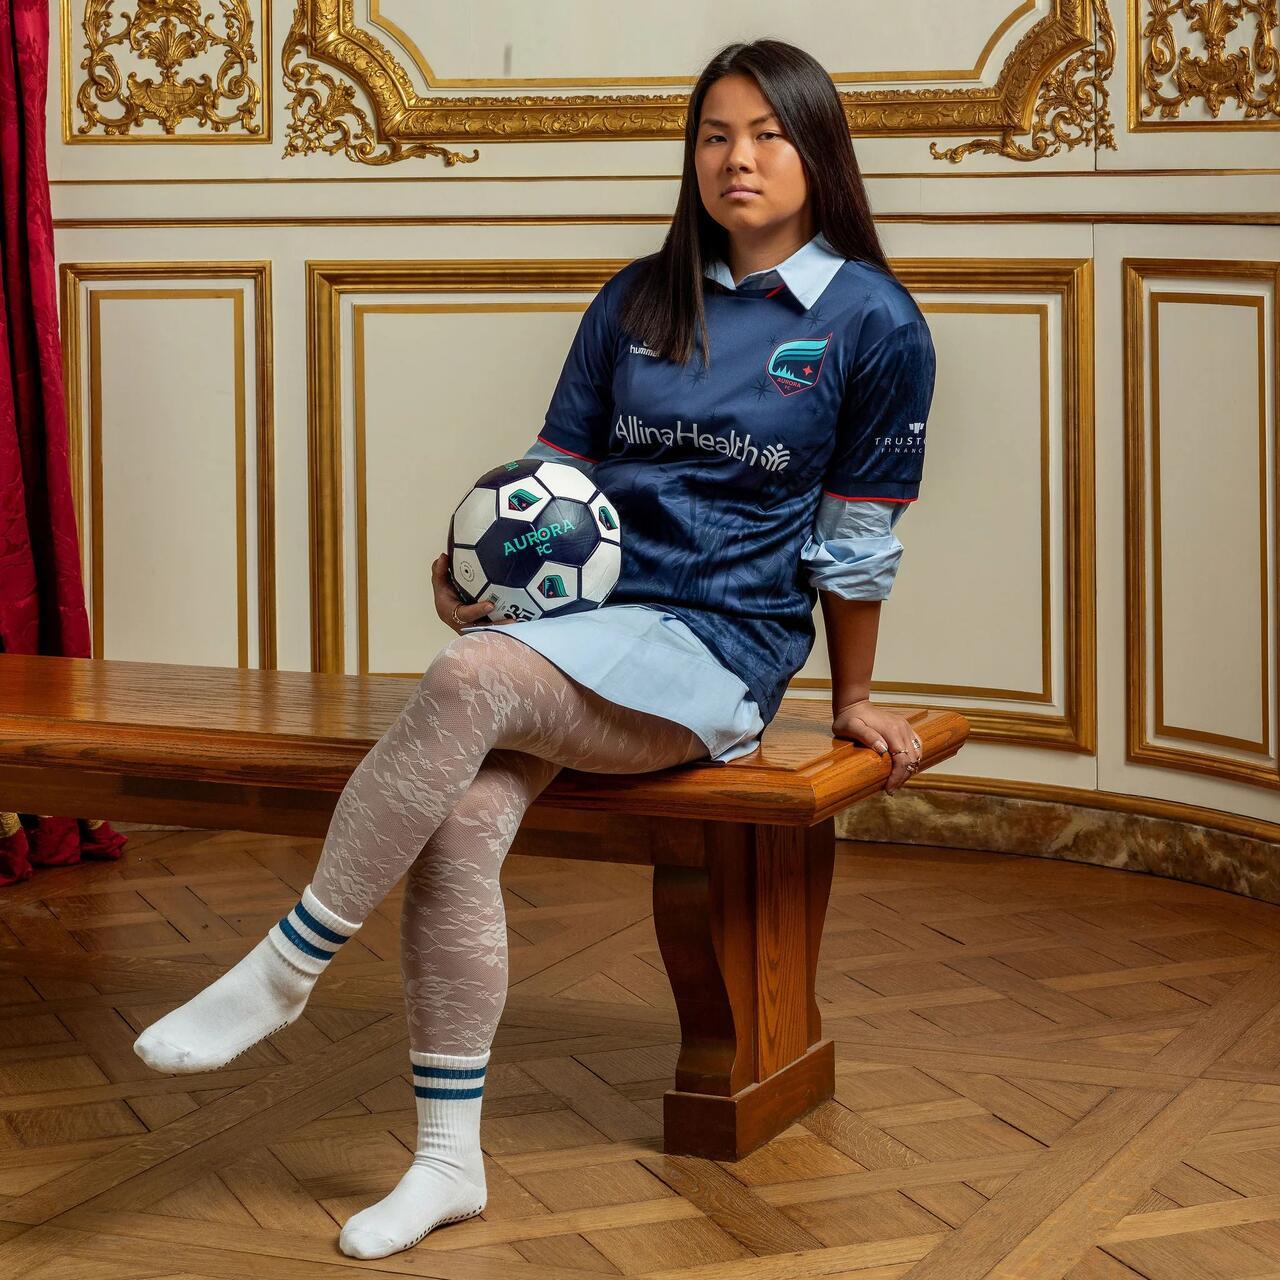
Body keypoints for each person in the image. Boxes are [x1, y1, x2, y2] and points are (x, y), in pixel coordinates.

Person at [131, 36, 935, 1262]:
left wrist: (855, 697)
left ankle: (288, 966)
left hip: (719, 644)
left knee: (466, 679)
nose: (738, 158)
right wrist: (471, 574)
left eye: (768, 133)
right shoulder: (638, 296)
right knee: (459, 815)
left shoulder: (873, 323)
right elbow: (554, 469)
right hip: (581, 628)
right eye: (715, 134)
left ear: (817, 150)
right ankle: (448, 1160)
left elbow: (856, 542)